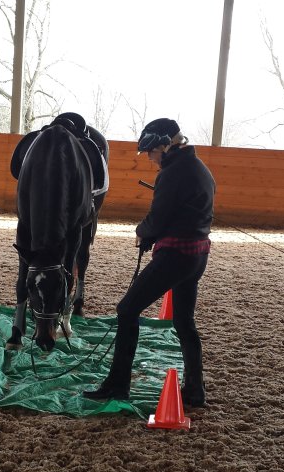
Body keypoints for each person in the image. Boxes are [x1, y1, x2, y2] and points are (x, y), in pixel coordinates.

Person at [83, 118, 215, 408]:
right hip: (197, 256)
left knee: (127, 309)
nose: (152, 159)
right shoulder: (200, 169)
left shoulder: (172, 174)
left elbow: (157, 219)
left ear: (165, 145)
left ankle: (117, 384)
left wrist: (141, 231)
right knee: (184, 321)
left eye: (153, 152)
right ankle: (195, 390)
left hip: (175, 256)